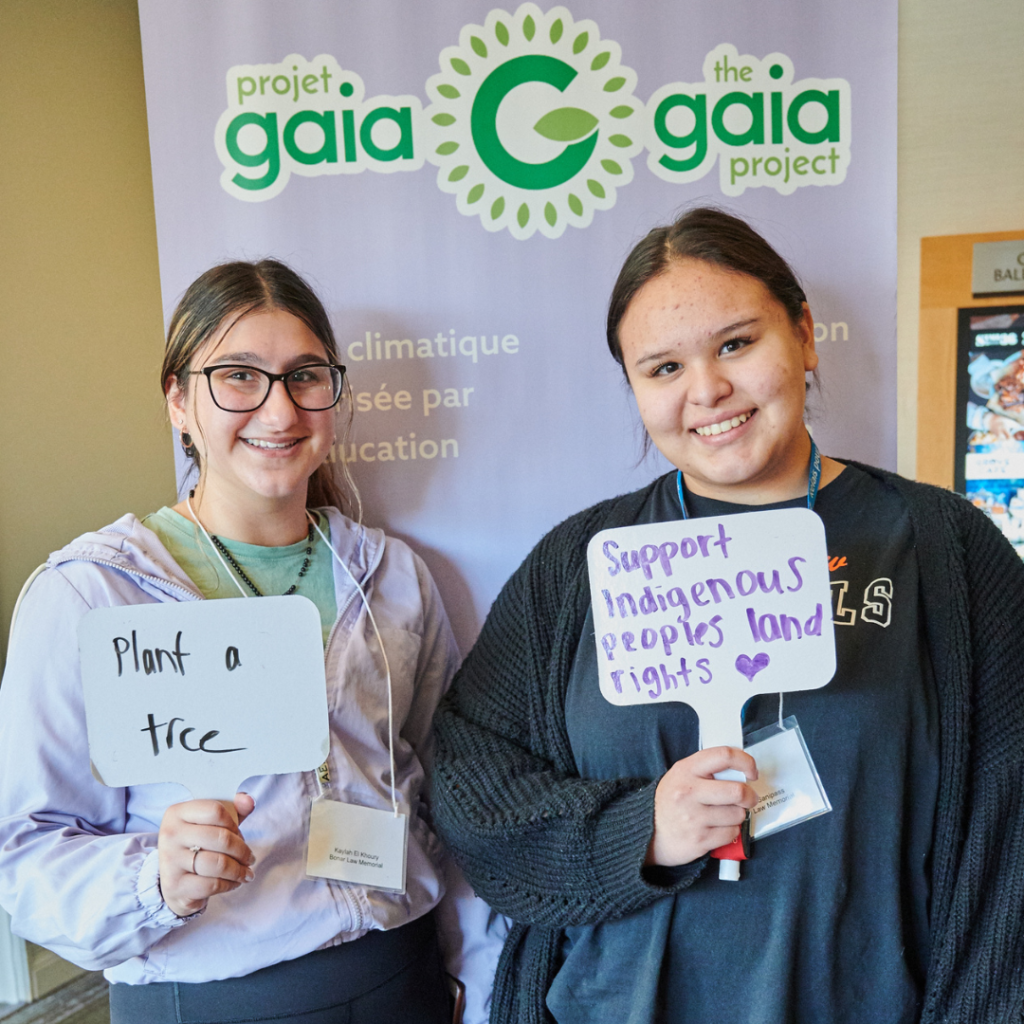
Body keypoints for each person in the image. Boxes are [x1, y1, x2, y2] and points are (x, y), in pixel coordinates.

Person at [430, 208, 1024, 1023]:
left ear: (805, 336)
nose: (706, 390)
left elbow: (1012, 834)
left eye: (737, 344)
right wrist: (638, 832)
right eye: (663, 367)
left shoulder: (945, 550)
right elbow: (470, 784)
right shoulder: (578, 566)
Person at [0, 260, 463, 1023]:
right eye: (239, 377)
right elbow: (25, 855)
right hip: (210, 995)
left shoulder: (392, 576)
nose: (279, 411)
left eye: (304, 376)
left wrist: (469, 971)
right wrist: (154, 876)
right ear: (179, 401)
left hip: (398, 976)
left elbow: (442, 790)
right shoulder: (90, 596)